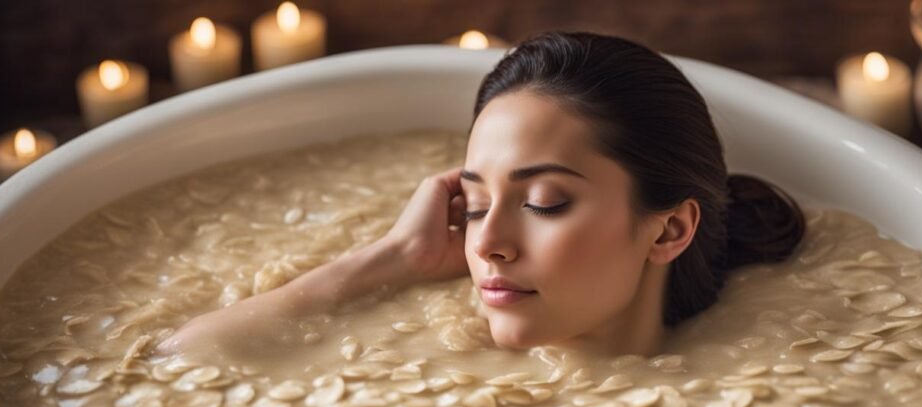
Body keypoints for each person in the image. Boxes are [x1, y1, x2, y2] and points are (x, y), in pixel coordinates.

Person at [154, 31, 805, 360]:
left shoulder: (758, 398)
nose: (486, 243)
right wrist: (389, 259)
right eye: (472, 204)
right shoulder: (405, 371)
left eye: (545, 201)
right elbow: (182, 359)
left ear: (666, 231)